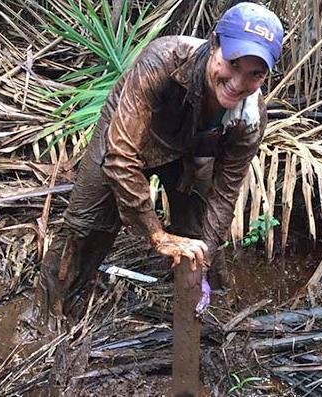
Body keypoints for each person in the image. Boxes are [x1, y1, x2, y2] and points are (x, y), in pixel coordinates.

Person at [33, 2, 284, 327]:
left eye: (255, 74)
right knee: (84, 225)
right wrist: (156, 234)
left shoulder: (249, 117)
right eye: (233, 63)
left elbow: (224, 194)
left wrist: (203, 256)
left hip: (193, 151)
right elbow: (121, 156)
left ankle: (202, 319)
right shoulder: (163, 62)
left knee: (199, 241)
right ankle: (43, 318)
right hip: (131, 133)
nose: (237, 82)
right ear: (215, 44)